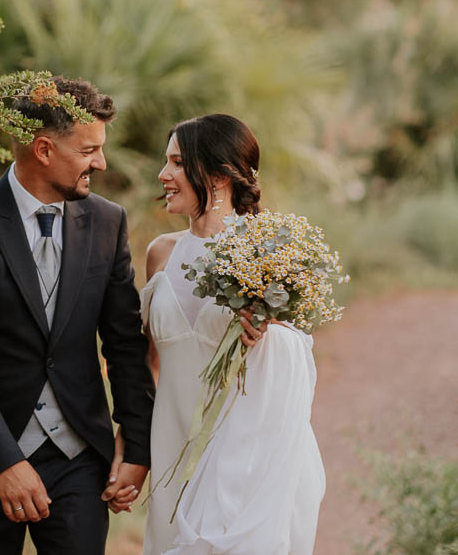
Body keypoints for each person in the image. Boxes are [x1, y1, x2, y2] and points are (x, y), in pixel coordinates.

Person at [0, 77, 154, 554]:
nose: (101, 163)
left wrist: (139, 447)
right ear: (44, 149)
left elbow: (124, 342)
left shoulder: (108, 223)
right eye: (88, 151)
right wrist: (3, 462)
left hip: (79, 459)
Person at [136, 113, 326, 554]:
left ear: (220, 175)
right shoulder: (160, 254)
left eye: (178, 163)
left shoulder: (268, 255)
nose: (164, 175)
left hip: (234, 450)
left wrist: (269, 337)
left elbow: (291, 364)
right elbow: (151, 361)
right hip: (170, 440)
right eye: (167, 162)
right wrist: (133, 444)